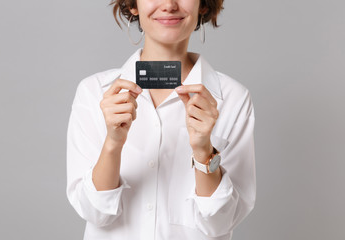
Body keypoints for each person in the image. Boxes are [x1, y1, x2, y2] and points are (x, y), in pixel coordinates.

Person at [66, 0, 256, 239]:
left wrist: (204, 151)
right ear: (132, 5)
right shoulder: (94, 92)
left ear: (204, 5)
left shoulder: (233, 98)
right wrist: (113, 143)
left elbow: (220, 223)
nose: (168, 4)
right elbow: (94, 213)